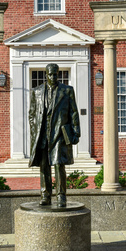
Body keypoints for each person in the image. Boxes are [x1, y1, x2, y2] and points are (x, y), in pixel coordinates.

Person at [29, 63, 80, 207]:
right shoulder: (36, 91)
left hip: (59, 133)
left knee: (58, 164)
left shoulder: (67, 90)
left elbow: (74, 112)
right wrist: (34, 132)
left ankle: (61, 195)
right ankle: (45, 195)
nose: (52, 77)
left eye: (55, 74)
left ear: (58, 74)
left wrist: (76, 132)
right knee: (44, 165)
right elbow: (32, 114)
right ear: (46, 74)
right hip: (42, 133)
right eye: (50, 74)